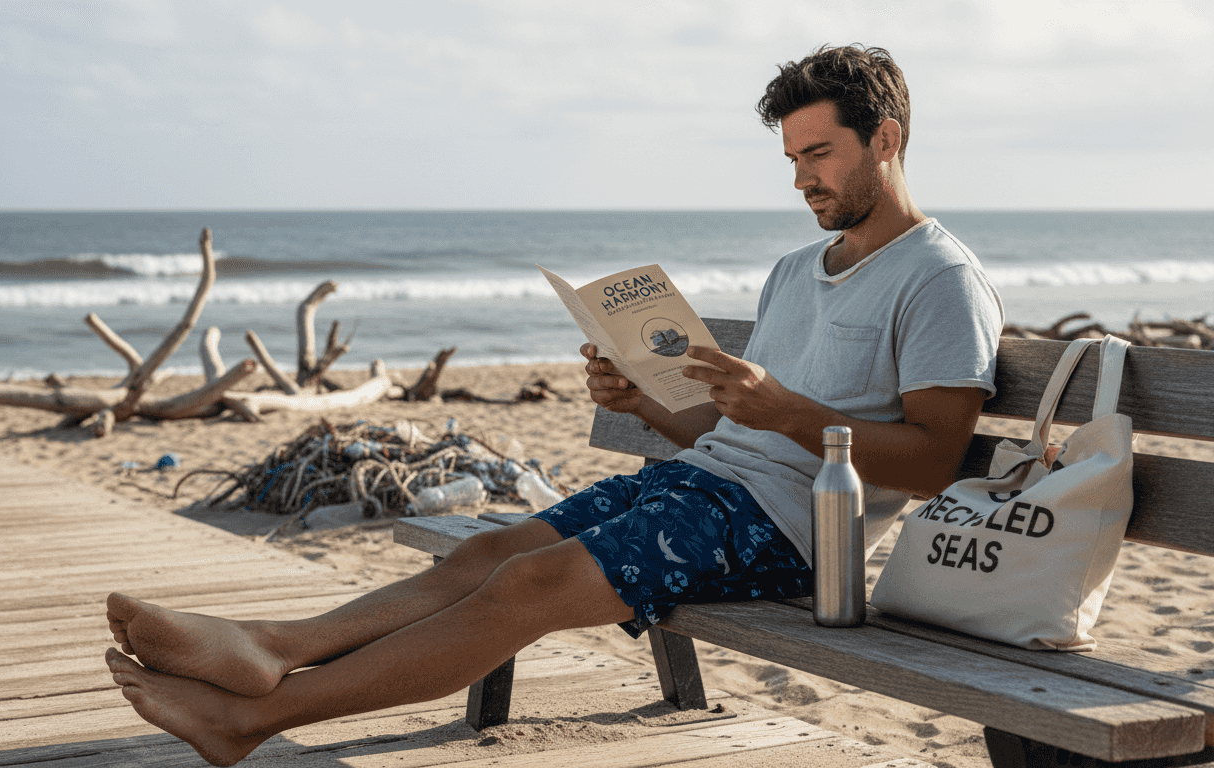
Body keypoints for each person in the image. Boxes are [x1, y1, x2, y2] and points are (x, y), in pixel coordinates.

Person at [103, 44, 1003, 766]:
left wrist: (787, 411)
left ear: (885, 139)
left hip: (788, 530)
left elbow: (932, 461)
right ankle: (271, 646)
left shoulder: (939, 279)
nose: (801, 179)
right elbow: (732, 428)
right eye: (793, 158)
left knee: (527, 586)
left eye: (819, 154)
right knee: (491, 553)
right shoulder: (796, 269)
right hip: (702, 487)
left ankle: (254, 718)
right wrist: (645, 405)